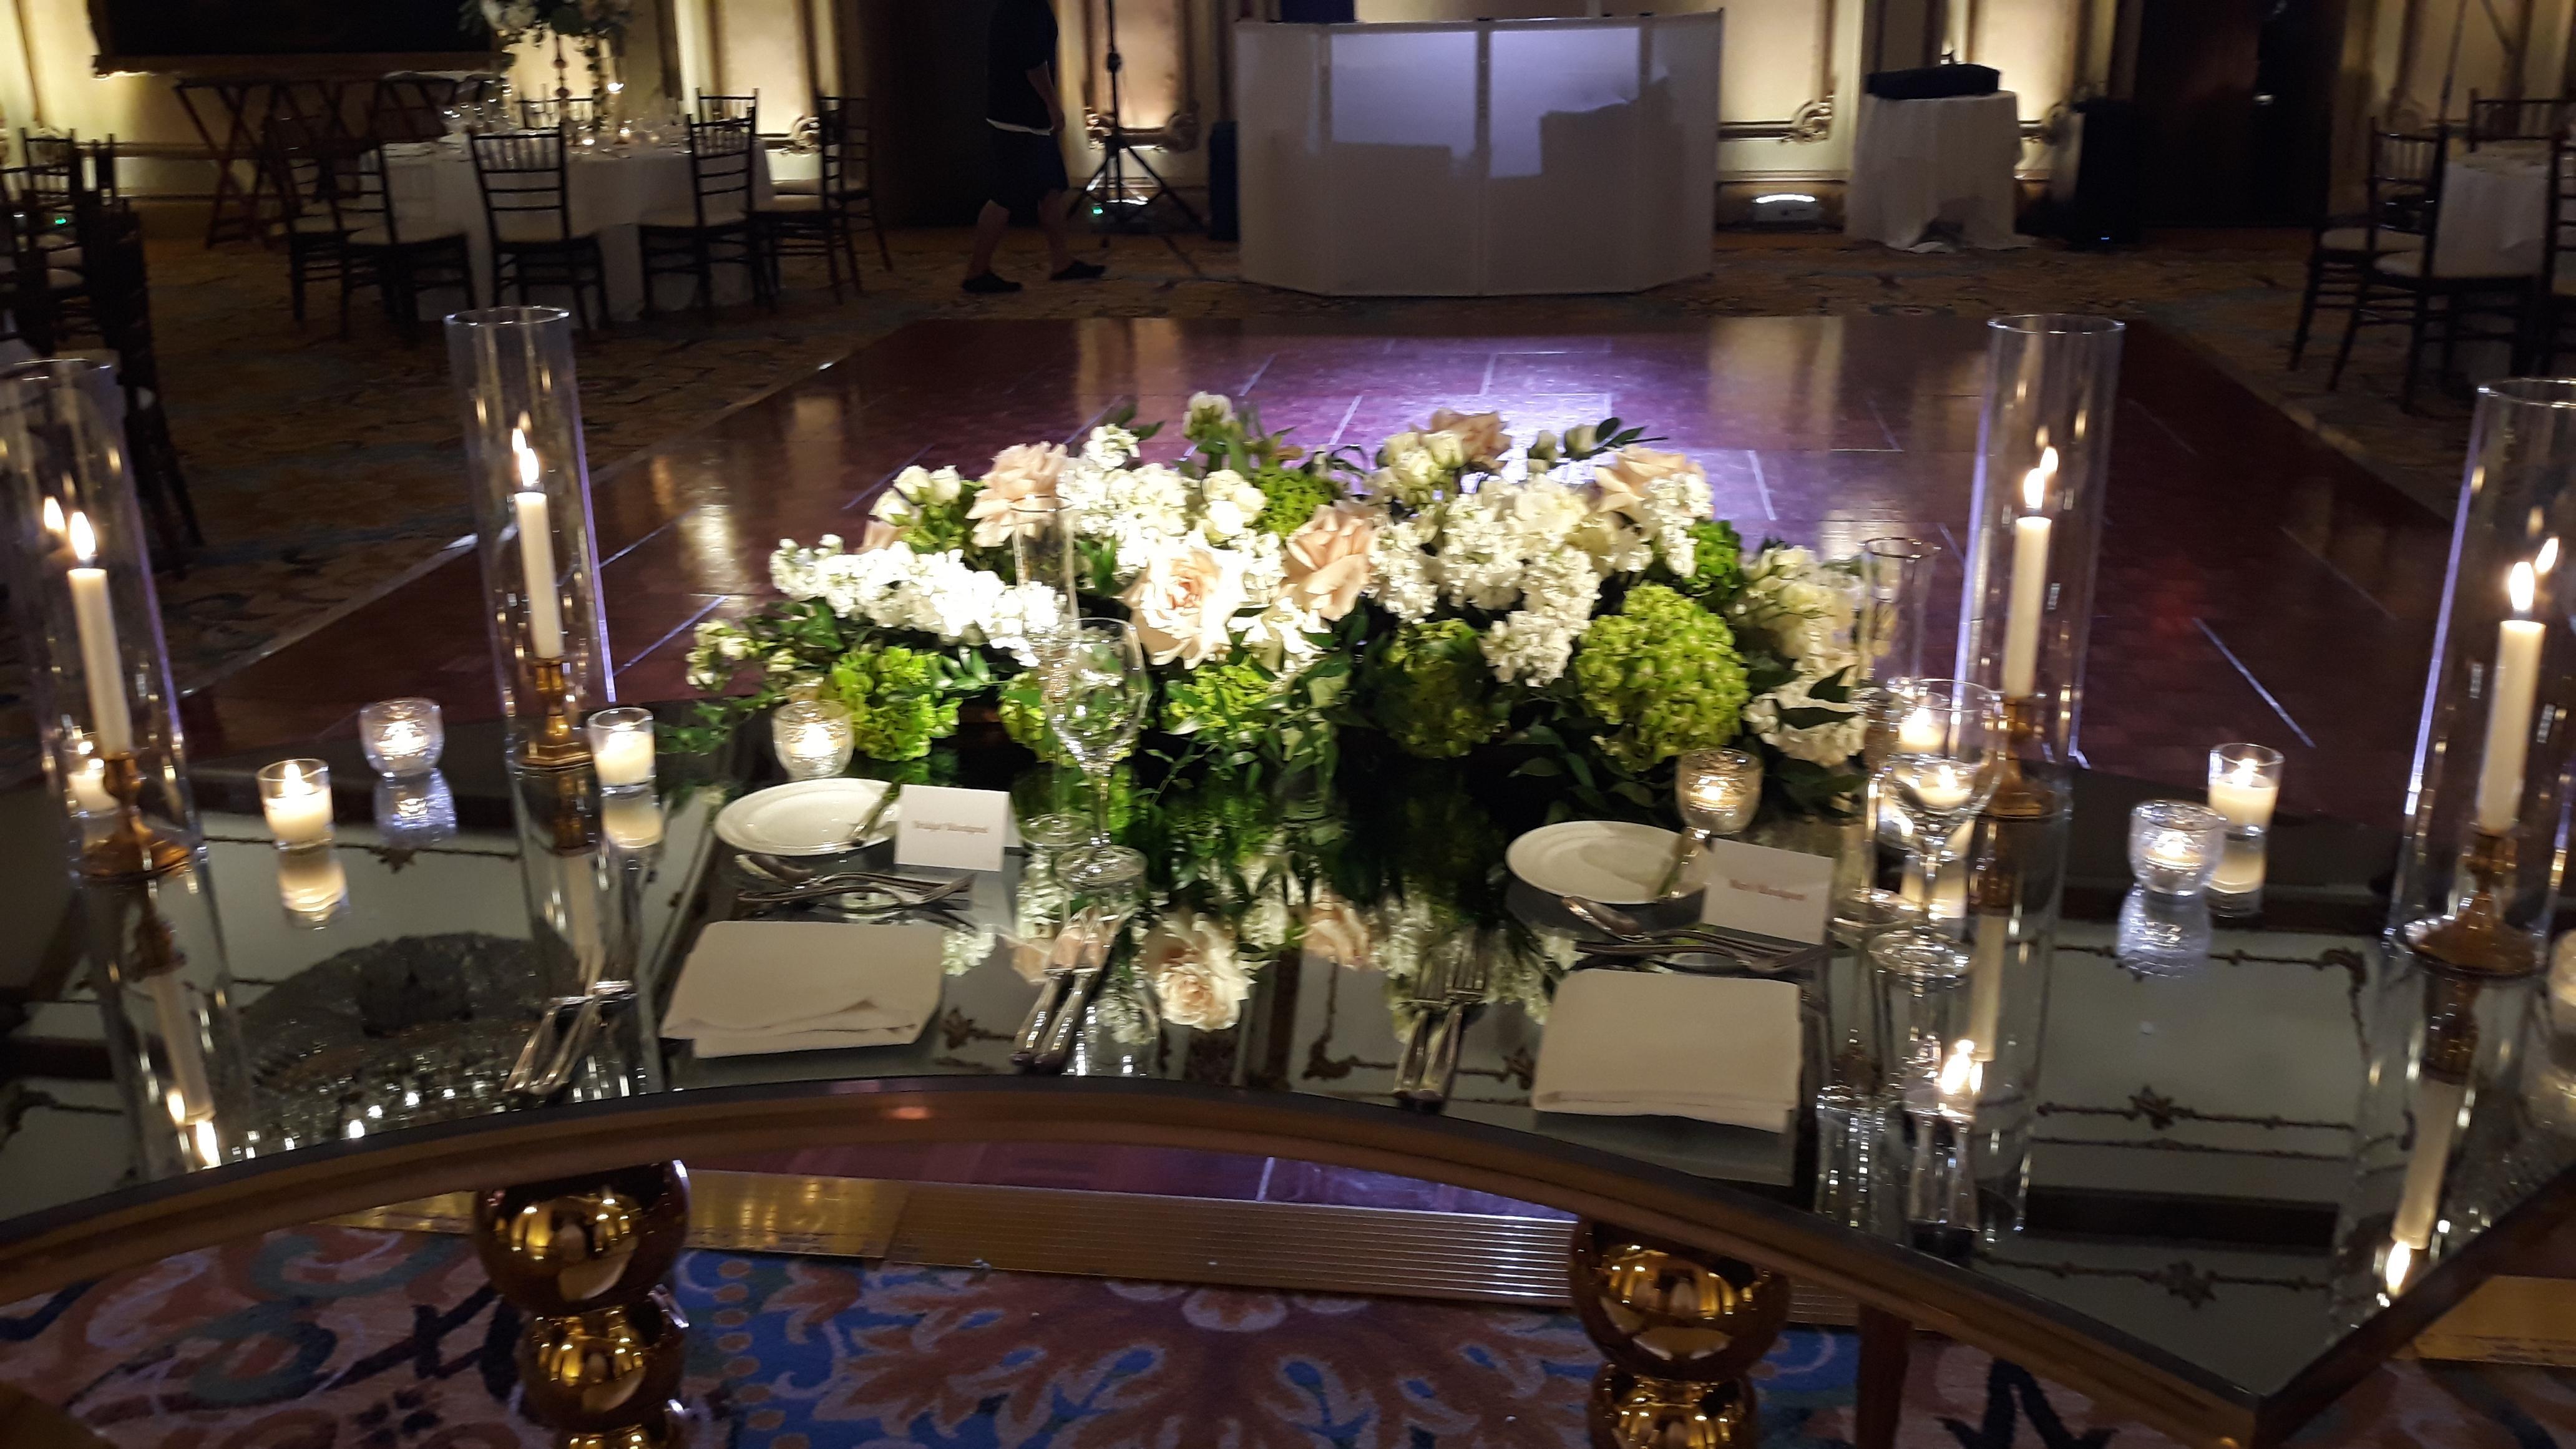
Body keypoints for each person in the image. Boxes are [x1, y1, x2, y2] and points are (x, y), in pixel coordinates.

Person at [966, 0, 1104, 294]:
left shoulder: (1024, 7)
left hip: (1029, 119)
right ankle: (977, 271)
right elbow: (1034, 64)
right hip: (1019, 120)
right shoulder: (1025, 8)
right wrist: (1053, 105)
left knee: (1051, 189)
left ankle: (1062, 263)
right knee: (1005, 195)